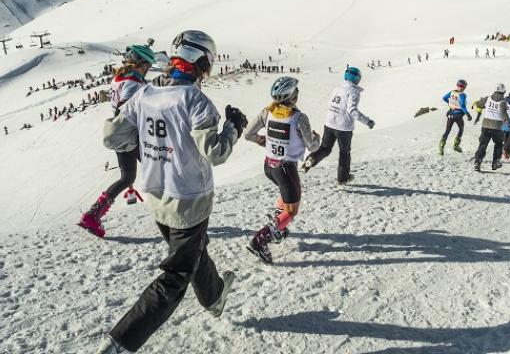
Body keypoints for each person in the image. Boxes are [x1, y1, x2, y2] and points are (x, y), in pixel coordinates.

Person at [96, 30, 247, 354]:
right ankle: (120, 343)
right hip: (189, 201)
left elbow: (112, 137)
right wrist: (233, 127)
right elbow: (216, 153)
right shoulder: (195, 100)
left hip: (157, 197)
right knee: (176, 276)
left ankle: (215, 296)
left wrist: (154, 150)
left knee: (193, 250)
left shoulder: (145, 94)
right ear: (203, 62)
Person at [78, 44, 156, 238]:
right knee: (159, 170)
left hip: (120, 136)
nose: (149, 69)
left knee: (127, 178)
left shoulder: (119, 77)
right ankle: (172, 215)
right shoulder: (132, 81)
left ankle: (92, 215)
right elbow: (126, 106)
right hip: (134, 135)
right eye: (148, 65)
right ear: (142, 63)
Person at [244, 77, 320, 264]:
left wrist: (262, 141)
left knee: (285, 195)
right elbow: (313, 146)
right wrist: (317, 137)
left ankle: (279, 224)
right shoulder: (298, 117)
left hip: (269, 166)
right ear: (293, 96)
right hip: (286, 168)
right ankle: (261, 239)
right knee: (292, 211)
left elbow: (248, 134)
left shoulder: (267, 111)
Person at [302, 67, 374, 184]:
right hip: (344, 128)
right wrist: (368, 121)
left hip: (329, 124)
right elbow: (352, 110)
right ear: (356, 79)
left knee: (325, 148)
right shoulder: (353, 91)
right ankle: (343, 179)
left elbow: (330, 103)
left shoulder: (337, 89)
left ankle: (311, 159)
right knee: (344, 153)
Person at [473, 84, 509, 171]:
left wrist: (479, 102)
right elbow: (504, 114)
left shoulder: (488, 98)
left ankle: (477, 162)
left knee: (483, 144)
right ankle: (495, 163)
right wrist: (507, 123)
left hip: (485, 126)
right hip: (497, 127)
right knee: (498, 144)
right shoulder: (503, 102)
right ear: (504, 92)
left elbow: (479, 104)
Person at [438, 79, 472, 155]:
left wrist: (450, 104)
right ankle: (456, 145)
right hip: (458, 115)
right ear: (464, 87)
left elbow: (444, 98)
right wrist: (468, 114)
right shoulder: (462, 95)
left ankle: (441, 147)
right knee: (461, 128)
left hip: (450, 114)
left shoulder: (452, 92)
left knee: (447, 130)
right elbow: (463, 106)